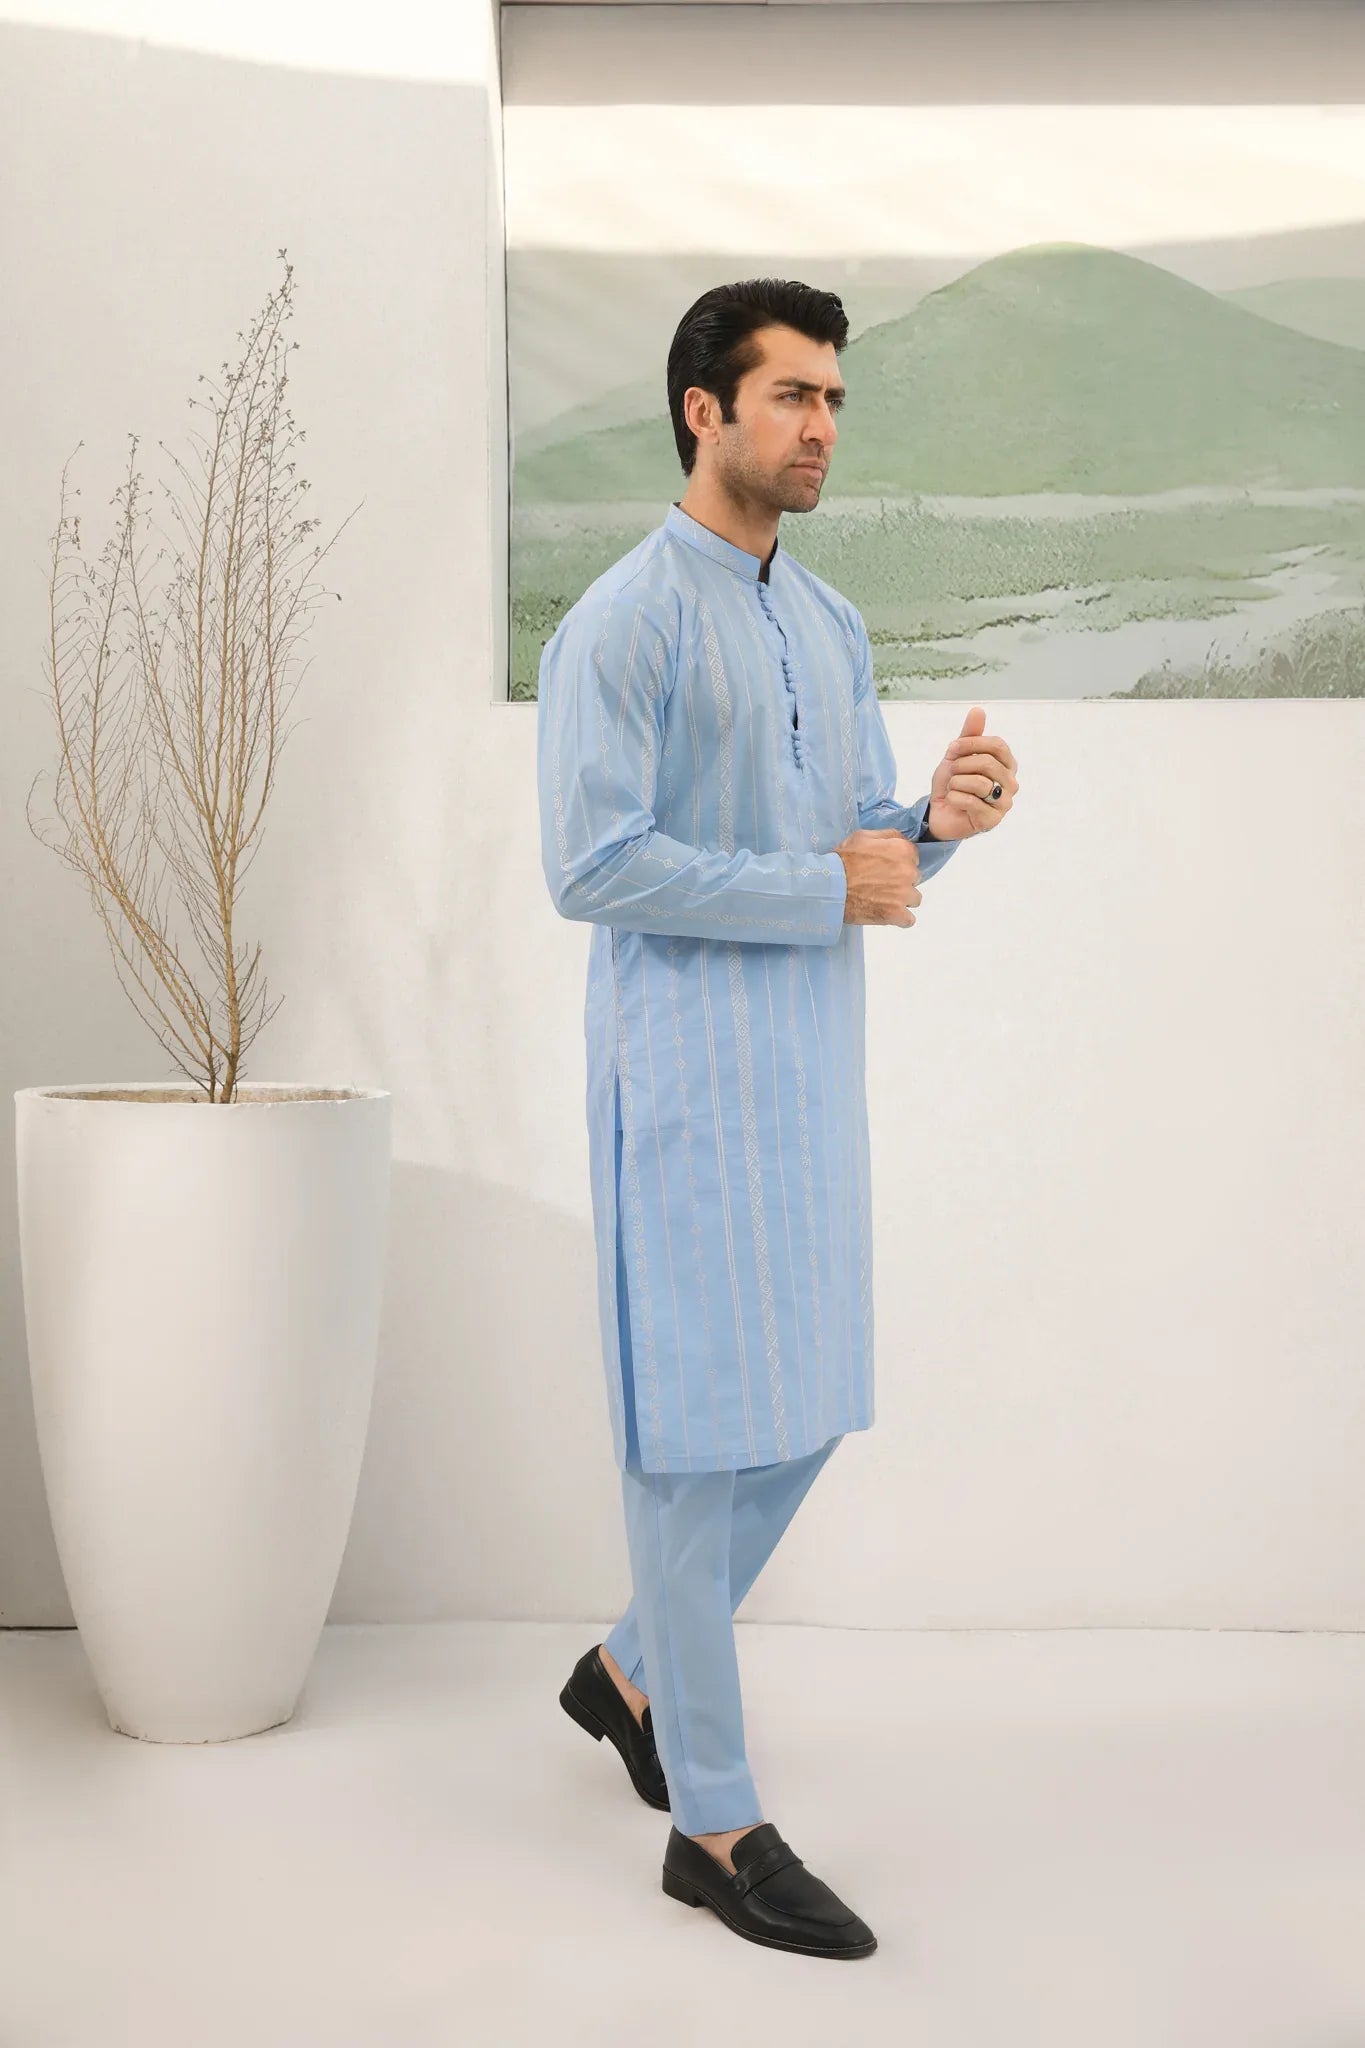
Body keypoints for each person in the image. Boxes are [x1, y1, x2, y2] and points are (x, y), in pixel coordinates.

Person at [537, 277, 1018, 1957]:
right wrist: (830, 881)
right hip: (681, 1088)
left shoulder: (827, 624)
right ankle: (715, 1824)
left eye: (833, 401)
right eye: (792, 397)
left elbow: (850, 848)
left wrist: (933, 823)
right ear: (703, 409)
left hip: (808, 1082)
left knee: (805, 1403)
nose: (821, 429)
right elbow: (591, 865)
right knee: (688, 1451)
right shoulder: (618, 623)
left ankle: (627, 1672)